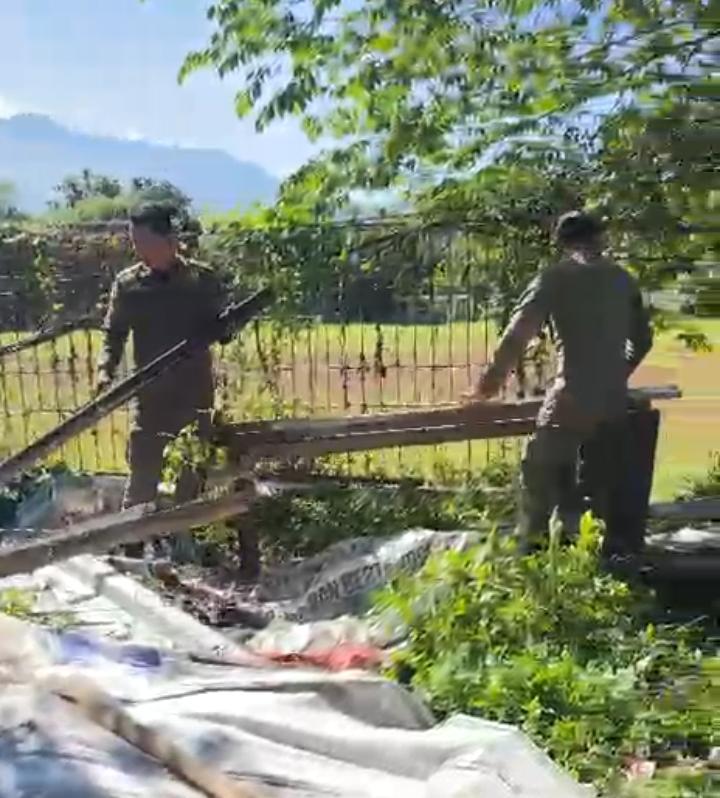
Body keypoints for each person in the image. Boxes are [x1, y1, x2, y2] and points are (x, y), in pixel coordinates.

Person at [465, 211, 654, 550]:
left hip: (570, 397)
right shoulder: (623, 279)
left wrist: (487, 385)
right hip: (613, 402)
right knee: (597, 483)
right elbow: (642, 341)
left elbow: (517, 335)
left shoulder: (555, 278)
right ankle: (596, 552)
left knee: (538, 474)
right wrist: (615, 374)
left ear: (563, 244)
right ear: (600, 238)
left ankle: (532, 551)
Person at [97, 203, 228, 560]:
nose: (137, 249)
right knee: (142, 474)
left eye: (144, 241)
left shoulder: (201, 280)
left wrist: (223, 326)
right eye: (134, 242)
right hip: (150, 396)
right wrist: (105, 369)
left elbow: (223, 328)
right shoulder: (129, 285)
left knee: (191, 473)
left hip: (194, 394)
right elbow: (114, 333)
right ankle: (131, 547)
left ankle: (182, 547)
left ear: (169, 240)